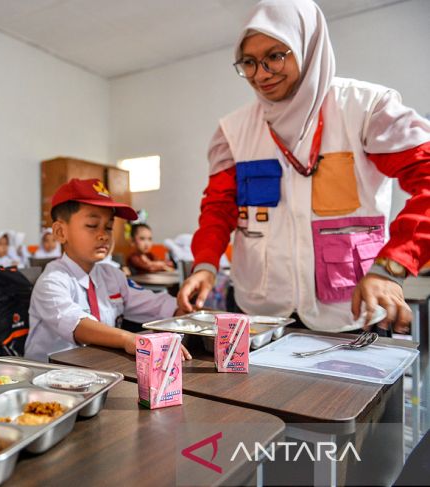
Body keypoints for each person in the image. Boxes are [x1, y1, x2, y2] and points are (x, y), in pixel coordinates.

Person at [178, 0, 430, 334]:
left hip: (351, 308)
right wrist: (206, 264)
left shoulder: (366, 110)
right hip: (260, 311)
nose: (261, 74)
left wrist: (392, 266)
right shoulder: (234, 133)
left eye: (275, 56)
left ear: (306, 46)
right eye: (249, 63)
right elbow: (219, 208)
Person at [25, 178, 191, 362]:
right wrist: (128, 338)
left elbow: (155, 304)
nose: (104, 235)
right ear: (60, 232)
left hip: (98, 369)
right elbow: (78, 325)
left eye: (109, 227)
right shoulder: (52, 281)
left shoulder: (112, 275)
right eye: (92, 225)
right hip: (51, 377)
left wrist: (189, 311)